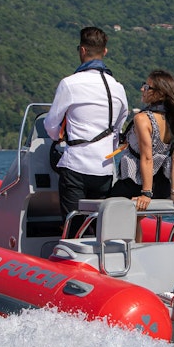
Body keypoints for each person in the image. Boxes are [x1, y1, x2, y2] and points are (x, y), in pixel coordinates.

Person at [44, 27, 129, 235]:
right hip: (105, 169)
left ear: (82, 50)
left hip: (76, 166)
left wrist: (59, 137)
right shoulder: (117, 88)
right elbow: (119, 126)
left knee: (74, 228)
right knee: (99, 227)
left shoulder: (69, 84)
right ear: (105, 51)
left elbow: (51, 126)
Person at [109, 69, 174, 241]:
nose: (142, 89)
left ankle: (126, 251)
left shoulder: (143, 119)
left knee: (106, 211)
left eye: (147, 87)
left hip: (135, 183)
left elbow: (147, 158)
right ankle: (136, 250)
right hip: (162, 187)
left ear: (160, 93)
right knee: (135, 220)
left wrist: (146, 193)